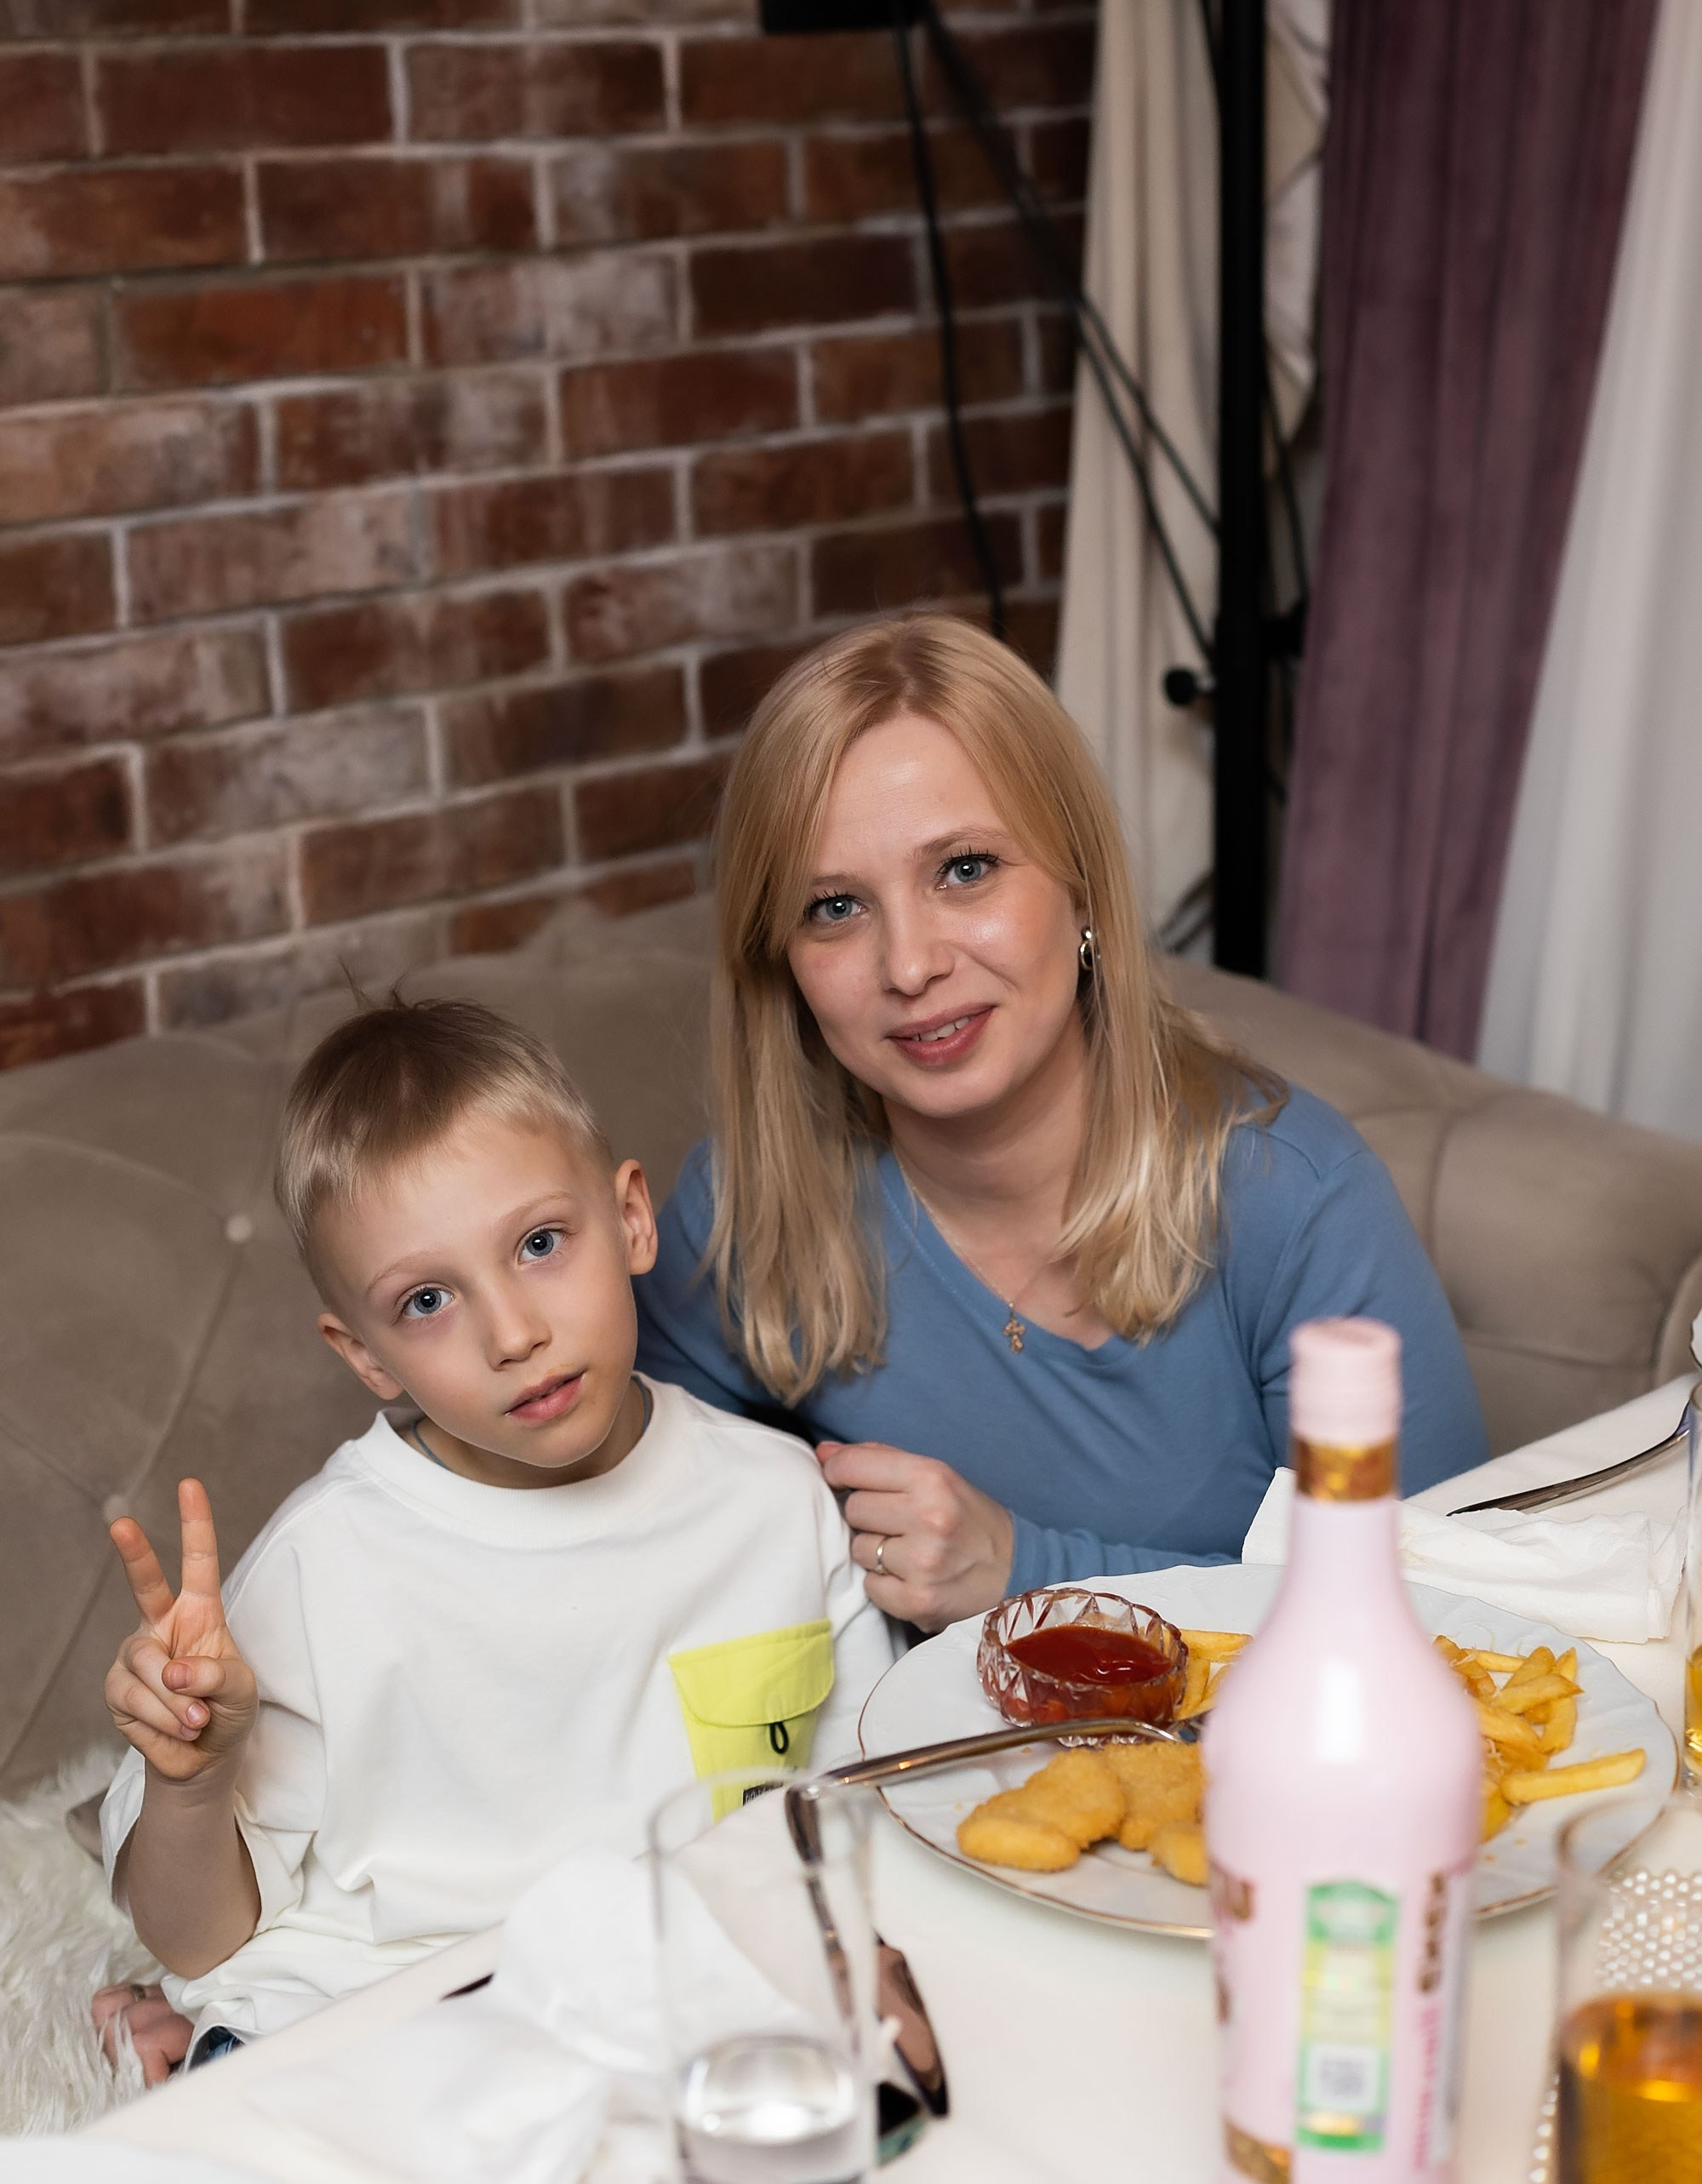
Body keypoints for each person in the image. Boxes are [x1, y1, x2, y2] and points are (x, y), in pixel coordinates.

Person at [636, 616, 1488, 1632]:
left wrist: (1027, 1571)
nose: (908, 966)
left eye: (963, 869)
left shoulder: (1291, 1202)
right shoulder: (739, 1212)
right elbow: (656, 1558)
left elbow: (1445, 1620)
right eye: (834, 907)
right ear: (780, 961)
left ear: (1079, 881)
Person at [94, 998, 889, 2078]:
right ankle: (207, 2057)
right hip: (383, 2005)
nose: (513, 1333)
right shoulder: (322, 1565)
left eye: (540, 1243)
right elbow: (198, 1931)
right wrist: (190, 1781)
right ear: (366, 1357)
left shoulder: (777, 1500)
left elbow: (861, 1821)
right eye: (426, 1300)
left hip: (676, 1993)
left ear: (633, 1221)